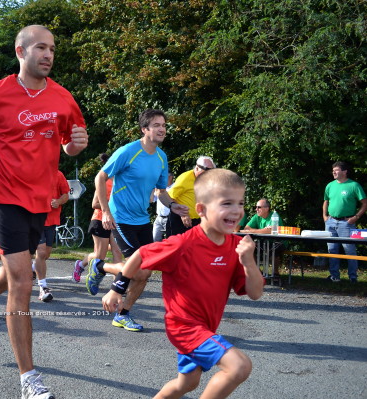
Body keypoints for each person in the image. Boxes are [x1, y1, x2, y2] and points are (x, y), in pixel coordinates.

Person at [0, 24, 88, 399]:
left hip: (41, 201)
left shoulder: (63, 98)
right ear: (21, 51)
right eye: (41, 48)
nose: (48, 55)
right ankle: (29, 379)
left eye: (52, 50)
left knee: (21, 273)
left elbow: (69, 148)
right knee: (23, 283)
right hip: (5, 197)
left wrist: (76, 145)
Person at [102, 168, 265, 399]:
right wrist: (116, 289)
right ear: (201, 209)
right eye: (227, 203)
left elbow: (255, 293)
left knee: (186, 384)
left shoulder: (236, 247)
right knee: (239, 366)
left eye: (240, 203)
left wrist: (248, 261)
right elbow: (140, 254)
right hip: (184, 327)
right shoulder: (182, 244)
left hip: (206, 328)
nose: (237, 210)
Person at [88, 109, 189, 332]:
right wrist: (105, 212)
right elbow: (100, 177)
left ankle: (121, 311)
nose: (162, 129)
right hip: (121, 217)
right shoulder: (128, 151)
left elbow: (161, 191)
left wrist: (173, 205)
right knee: (140, 270)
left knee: (147, 271)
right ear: (145, 129)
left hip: (142, 218)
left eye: (163, 125)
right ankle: (101, 267)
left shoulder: (161, 157)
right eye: (156, 125)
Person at [73, 153, 122, 282]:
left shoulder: (121, 182)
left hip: (115, 221)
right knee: (100, 256)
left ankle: (117, 285)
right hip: (100, 220)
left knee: (118, 252)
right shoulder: (104, 181)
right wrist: (111, 207)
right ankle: (80, 264)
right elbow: (94, 203)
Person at [323, 161, 367, 283]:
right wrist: (325, 216)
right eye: (333, 170)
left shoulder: (354, 185)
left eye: (336, 170)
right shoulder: (330, 185)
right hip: (331, 221)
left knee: (349, 250)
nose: (334, 172)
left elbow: (365, 204)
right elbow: (326, 201)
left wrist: (356, 217)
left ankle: (353, 277)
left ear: (344, 171)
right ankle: (334, 276)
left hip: (346, 222)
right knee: (332, 250)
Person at [32, 170, 70, 302]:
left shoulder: (58, 174)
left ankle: (33, 268)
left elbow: (66, 195)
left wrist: (58, 201)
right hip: (35, 219)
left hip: (52, 220)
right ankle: (43, 288)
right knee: (41, 253)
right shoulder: (31, 172)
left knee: (45, 254)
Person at [167, 156, 216, 236]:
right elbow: (170, 196)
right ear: (197, 168)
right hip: (181, 220)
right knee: (177, 246)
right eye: (206, 170)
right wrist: (183, 214)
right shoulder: (185, 178)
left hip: (197, 220)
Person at [241, 198, 285, 282]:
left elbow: (272, 230)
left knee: (274, 250)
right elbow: (246, 228)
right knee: (249, 248)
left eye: (259, 207)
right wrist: (263, 230)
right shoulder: (256, 216)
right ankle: (258, 272)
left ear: (267, 208)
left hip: (278, 242)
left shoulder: (274, 216)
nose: (256, 209)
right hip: (263, 242)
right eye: (256, 207)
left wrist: (253, 230)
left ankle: (275, 273)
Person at [153, 172, 174, 242]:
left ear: (170, 177)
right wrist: (153, 189)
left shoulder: (174, 187)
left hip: (169, 218)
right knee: (155, 239)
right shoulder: (159, 188)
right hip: (159, 218)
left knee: (170, 240)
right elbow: (151, 200)